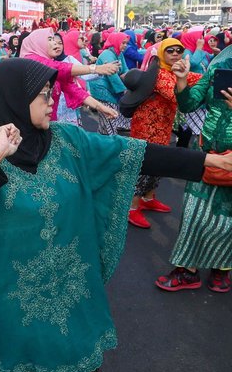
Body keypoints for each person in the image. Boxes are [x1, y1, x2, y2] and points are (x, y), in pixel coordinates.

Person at [0, 58, 232, 372]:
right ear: (15, 98)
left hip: (70, 306)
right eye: (44, 95)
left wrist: (209, 162)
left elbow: (136, 153)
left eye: (52, 93)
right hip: (8, 313)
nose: (52, 102)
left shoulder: (69, 141)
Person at [156, 45, 232, 293]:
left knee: (227, 221)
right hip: (206, 154)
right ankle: (187, 270)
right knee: (192, 214)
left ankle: (222, 268)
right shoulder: (220, 65)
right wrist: (181, 80)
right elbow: (188, 104)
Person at [128, 39, 202, 229]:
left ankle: (148, 198)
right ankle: (132, 207)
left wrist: (212, 76)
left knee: (159, 164)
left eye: (179, 50)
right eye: (170, 50)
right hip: (147, 127)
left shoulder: (173, 72)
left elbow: (200, 79)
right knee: (144, 166)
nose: (176, 53)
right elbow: (175, 94)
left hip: (163, 126)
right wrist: (185, 79)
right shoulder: (160, 74)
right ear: (162, 53)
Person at [20, 28, 120, 122]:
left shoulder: (57, 62)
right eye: (50, 39)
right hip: (31, 126)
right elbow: (59, 68)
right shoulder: (31, 60)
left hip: (49, 122)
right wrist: (97, 68)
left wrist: (102, 108)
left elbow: (74, 89)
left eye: (58, 42)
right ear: (38, 43)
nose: (55, 43)